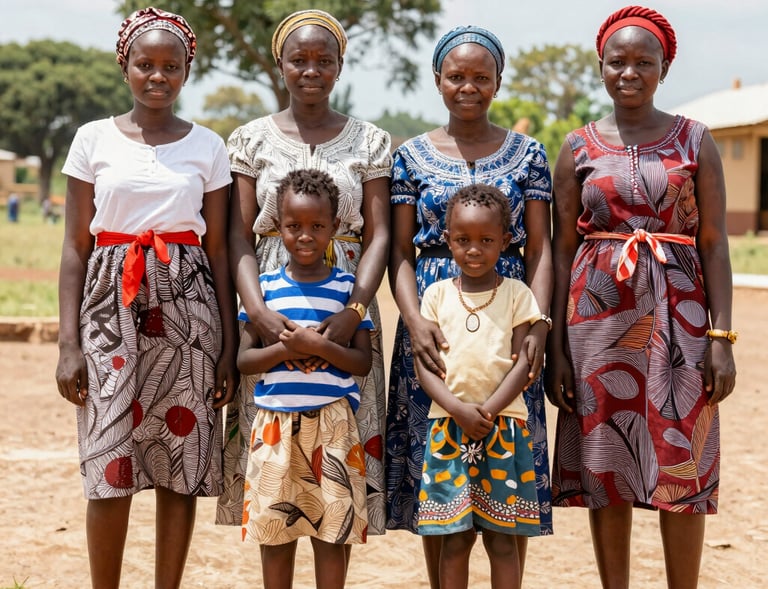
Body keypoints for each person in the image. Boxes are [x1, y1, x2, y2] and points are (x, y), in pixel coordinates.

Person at [545, 6, 737, 589]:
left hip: (682, 321)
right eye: (617, 61)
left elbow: (714, 241)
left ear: (664, 68)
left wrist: (722, 338)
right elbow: (557, 252)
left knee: (683, 462)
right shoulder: (576, 147)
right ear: (600, 68)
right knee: (608, 465)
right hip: (596, 322)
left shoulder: (695, 141)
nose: (629, 72)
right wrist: (557, 348)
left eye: (643, 62)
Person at [55, 7, 238, 588]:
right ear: (125, 66)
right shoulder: (92, 139)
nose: (157, 76)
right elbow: (74, 247)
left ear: (187, 71)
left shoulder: (208, 146)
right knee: (109, 456)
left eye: (170, 66)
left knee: (177, 460)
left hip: (189, 307)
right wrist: (67, 345)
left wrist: (228, 347)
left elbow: (220, 251)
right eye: (145, 64)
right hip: (110, 304)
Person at [385, 25, 553, 587]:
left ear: (498, 81)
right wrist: (414, 322)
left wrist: (537, 328)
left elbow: (541, 248)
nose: (468, 86)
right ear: (438, 80)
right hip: (435, 318)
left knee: (509, 494)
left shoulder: (528, 153)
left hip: (510, 318)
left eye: (482, 77)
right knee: (441, 493)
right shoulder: (408, 156)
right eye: (456, 76)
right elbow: (401, 250)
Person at [219, 9, 392, 539]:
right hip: (270, 293)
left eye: (324, 60)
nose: (311, 70)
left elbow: (379, 233)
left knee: (341, 442)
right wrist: (261, 314)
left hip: (347, 293)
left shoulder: (370, 141)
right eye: (299, 59)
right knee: (273, 449)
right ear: (280, 64)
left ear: (341, 66)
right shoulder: (249, 139)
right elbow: (239, 235)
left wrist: (353, 311)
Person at [239, 169, 373, 589]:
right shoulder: (264, 292)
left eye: (318, 226)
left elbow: (361, 363)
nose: (305, 236)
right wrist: (286, 349)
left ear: (335, 227)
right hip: (274, 427)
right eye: (294, 226)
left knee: (333, 532)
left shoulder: (349, 293)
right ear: (278, 228)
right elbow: (245, 361)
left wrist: (320, 347)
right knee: (276, 533)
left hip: (334, 426)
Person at [416, 185, 543, 589]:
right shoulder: (435, 296)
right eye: (462, 240)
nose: (473, 249)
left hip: (503, 428)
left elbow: (524, 362)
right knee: (454, 541)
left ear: (505, 242)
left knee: (504, 542)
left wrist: (486, 412)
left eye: (486, 240)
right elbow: (425, 369)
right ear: (447, 239)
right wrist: (458, 409)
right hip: (449, 429)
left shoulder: (518, 294)